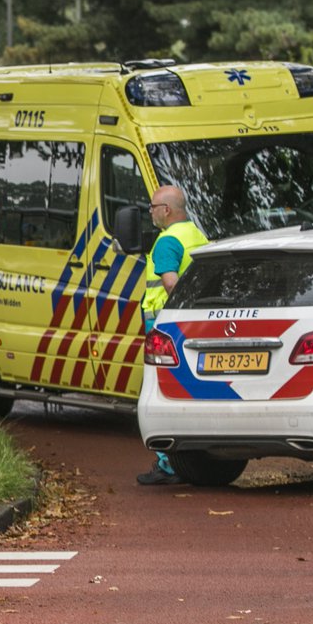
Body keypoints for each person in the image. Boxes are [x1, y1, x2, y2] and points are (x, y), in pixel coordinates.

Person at [137, 184, 210, 486]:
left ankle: (168, 464)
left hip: (165, 326)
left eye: (152, 207)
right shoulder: (198, 235)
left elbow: (170, 284)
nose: (151, 213)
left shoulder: (167, 241)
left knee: (163, 392)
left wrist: (174, 316)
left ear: (165, 210)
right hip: (197, 325)